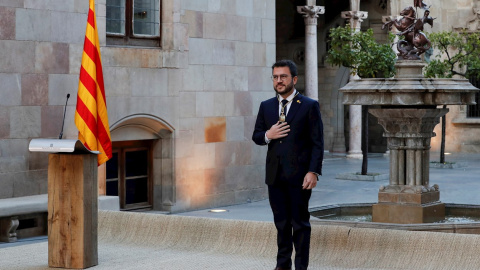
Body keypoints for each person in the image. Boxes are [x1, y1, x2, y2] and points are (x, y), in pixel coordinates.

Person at [252, 59, 324, 270]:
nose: (279, 81)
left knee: (300, 224)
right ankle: (282, 266)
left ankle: (301, 267)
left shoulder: (310, 105)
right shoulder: (266, 106)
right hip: (275, 176)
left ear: (294, 79)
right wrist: (268, 134)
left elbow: (317, 143)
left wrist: (313, 171)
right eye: (275, 77)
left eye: (283, 77)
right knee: (281, 224)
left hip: (300, 176)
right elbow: (257, 136)